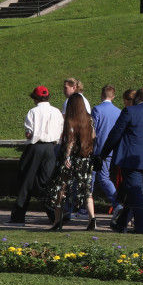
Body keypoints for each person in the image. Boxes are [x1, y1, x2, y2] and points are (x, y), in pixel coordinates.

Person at [101, 87, 143, 235]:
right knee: (137, 193)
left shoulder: (130, 111)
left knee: (136, 193)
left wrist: (103, 154)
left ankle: (141, 228)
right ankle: (121, 224)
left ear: (137, 98)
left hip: (131, 160)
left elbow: (115, 134)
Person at [13, 85, 64, 224]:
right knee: (46, 181)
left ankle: (18, 216)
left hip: (35, 147)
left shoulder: (33, 112)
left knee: (26, 180)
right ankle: (54, 215)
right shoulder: (56, 112)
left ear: (35, 98)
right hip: (51, 148)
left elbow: (29, 133)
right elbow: (61, 130)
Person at [50, 93, 98, 231]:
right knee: (86, 189)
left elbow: (69, 141)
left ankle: (57, 221)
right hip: (85, 158)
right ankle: (92, 218)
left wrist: (67, 157)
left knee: (61, 187)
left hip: (71, 159)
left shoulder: (70, 121)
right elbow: (94, 136)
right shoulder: (89, 120)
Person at [90, 85, 122, 212]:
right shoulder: (118, 111)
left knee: (94, 178)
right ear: (113, 96)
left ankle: (116, 204)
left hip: (97, 148)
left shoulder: (97, 109)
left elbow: (93, 130)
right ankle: (116, 203)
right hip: (111, 150)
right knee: (103, 177)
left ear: (101, 95)